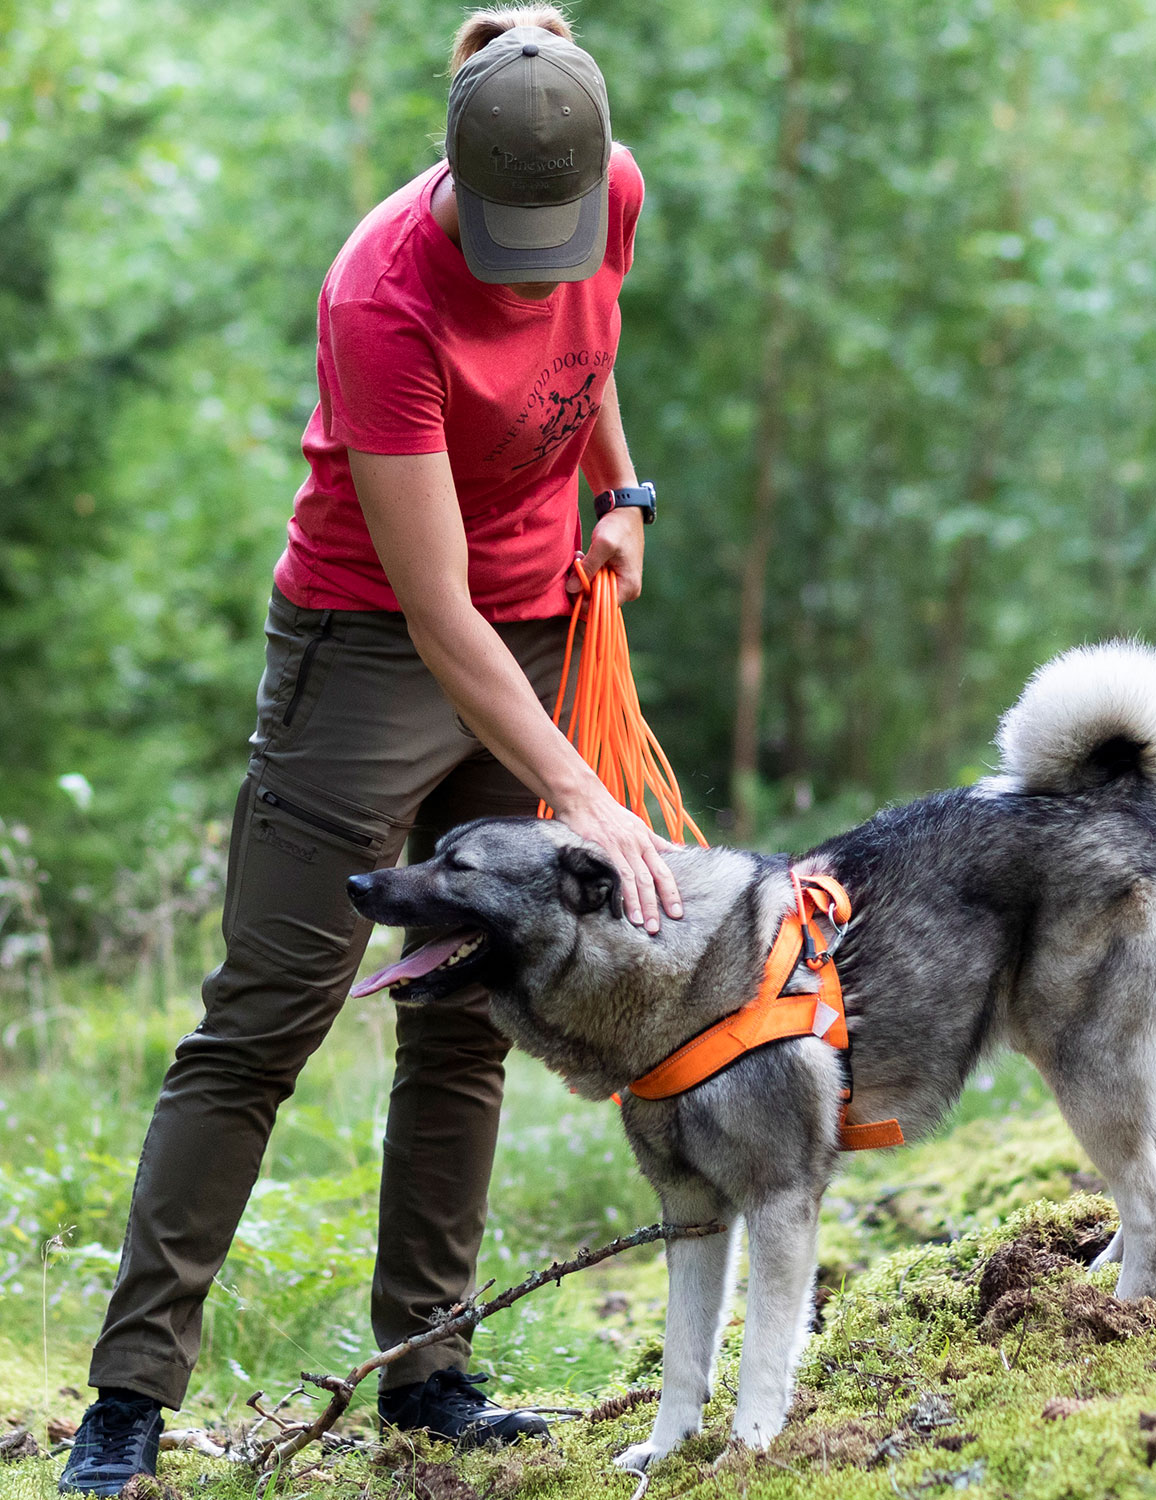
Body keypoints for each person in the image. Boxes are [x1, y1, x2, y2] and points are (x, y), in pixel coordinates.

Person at [59, 8, 682, 1493]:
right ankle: (128, 1400)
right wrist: (584, 792)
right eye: (510, 243)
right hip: (372, 650)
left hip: (539, 625)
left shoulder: (605, 187)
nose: (534, 266)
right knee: (265, 1019)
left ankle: (431, 1374)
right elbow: (436, 612)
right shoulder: (380, 294)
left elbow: (583, 355)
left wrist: (623, 493)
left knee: (469, 1010)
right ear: (457, 177)